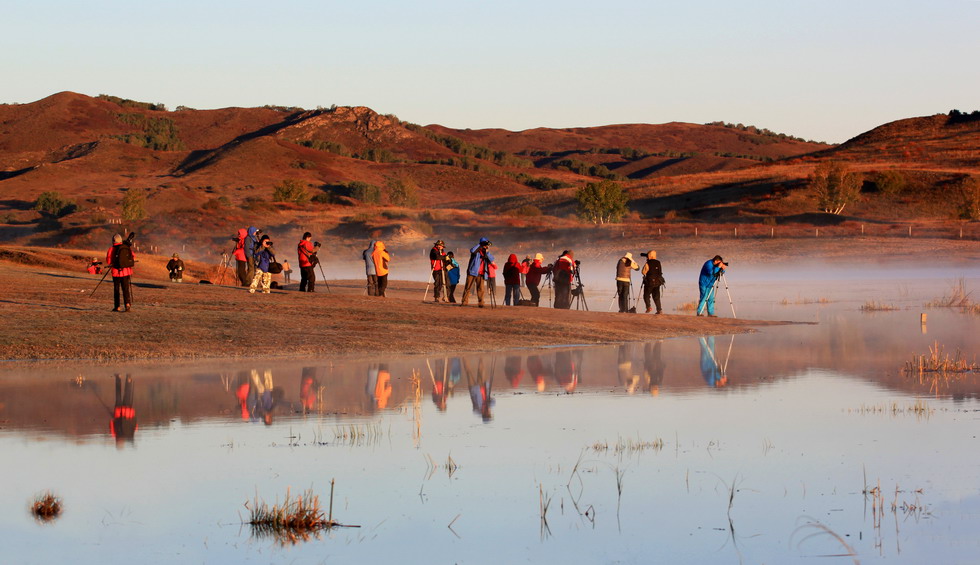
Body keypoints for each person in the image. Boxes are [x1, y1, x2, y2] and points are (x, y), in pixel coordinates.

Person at [460, 238, 494, 308]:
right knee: (468, 288)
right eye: (485, 245)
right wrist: (480, 244)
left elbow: (492, 259)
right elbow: (472, 250)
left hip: (481, 273)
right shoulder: (476, 251)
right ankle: (464, 302)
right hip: (472, 272)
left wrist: (487, 251)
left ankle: (481, 303)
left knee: (481, 289)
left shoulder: (486, 252)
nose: (486, 246)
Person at [106, 233, 135, 312]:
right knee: (126, 289)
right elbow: (132, 256)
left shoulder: (111, 249)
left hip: (116, 272)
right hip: (126, 271)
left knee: (116, 290)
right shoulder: (126, 248)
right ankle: (127, 304)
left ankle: (117, 306)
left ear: (113, 241)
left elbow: (108, 261)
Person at [641, 250, 664, 314]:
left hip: (649, 282)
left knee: (646, 295)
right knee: (656, 297)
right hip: (657, 282)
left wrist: (646, 263)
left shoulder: (648, 263)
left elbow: (643, 272)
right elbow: (660, 272)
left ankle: (648, 307)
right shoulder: (658, 262)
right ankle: (659, 310)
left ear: (649, 256)